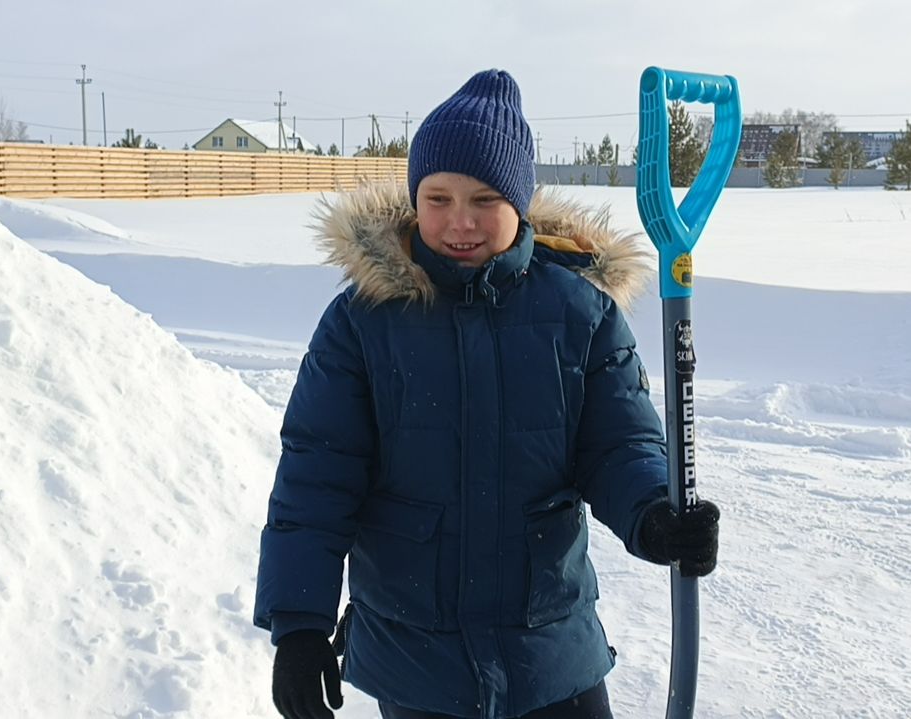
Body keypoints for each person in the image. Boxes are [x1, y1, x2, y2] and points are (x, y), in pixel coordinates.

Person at [254, 69, 720, 719]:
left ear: (520, 203)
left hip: (549, 648)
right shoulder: (364, 323)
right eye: (438, 197)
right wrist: (299, 624)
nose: (460, 221)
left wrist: (655, 514)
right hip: (418, 657)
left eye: (485, 199)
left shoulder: (578, 314)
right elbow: (317, 476)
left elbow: (619, 446)